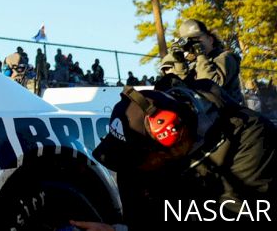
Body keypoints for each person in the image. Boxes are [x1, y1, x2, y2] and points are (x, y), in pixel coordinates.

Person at [73, 82, 276, 229]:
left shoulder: (249, 137)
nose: (131, 168)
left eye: (137, 159)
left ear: (174, 147)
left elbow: (244, 214)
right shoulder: (141, 159)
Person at [175, 19, 243, 105]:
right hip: (205, 114)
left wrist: (200, 54)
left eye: (197, 38)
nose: (193, 44)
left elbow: (210, 86)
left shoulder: (226, 57)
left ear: (210, 39)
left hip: (229, 113)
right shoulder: (196, 65)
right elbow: (183, 89)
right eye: (189, 41)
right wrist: (179, 62)